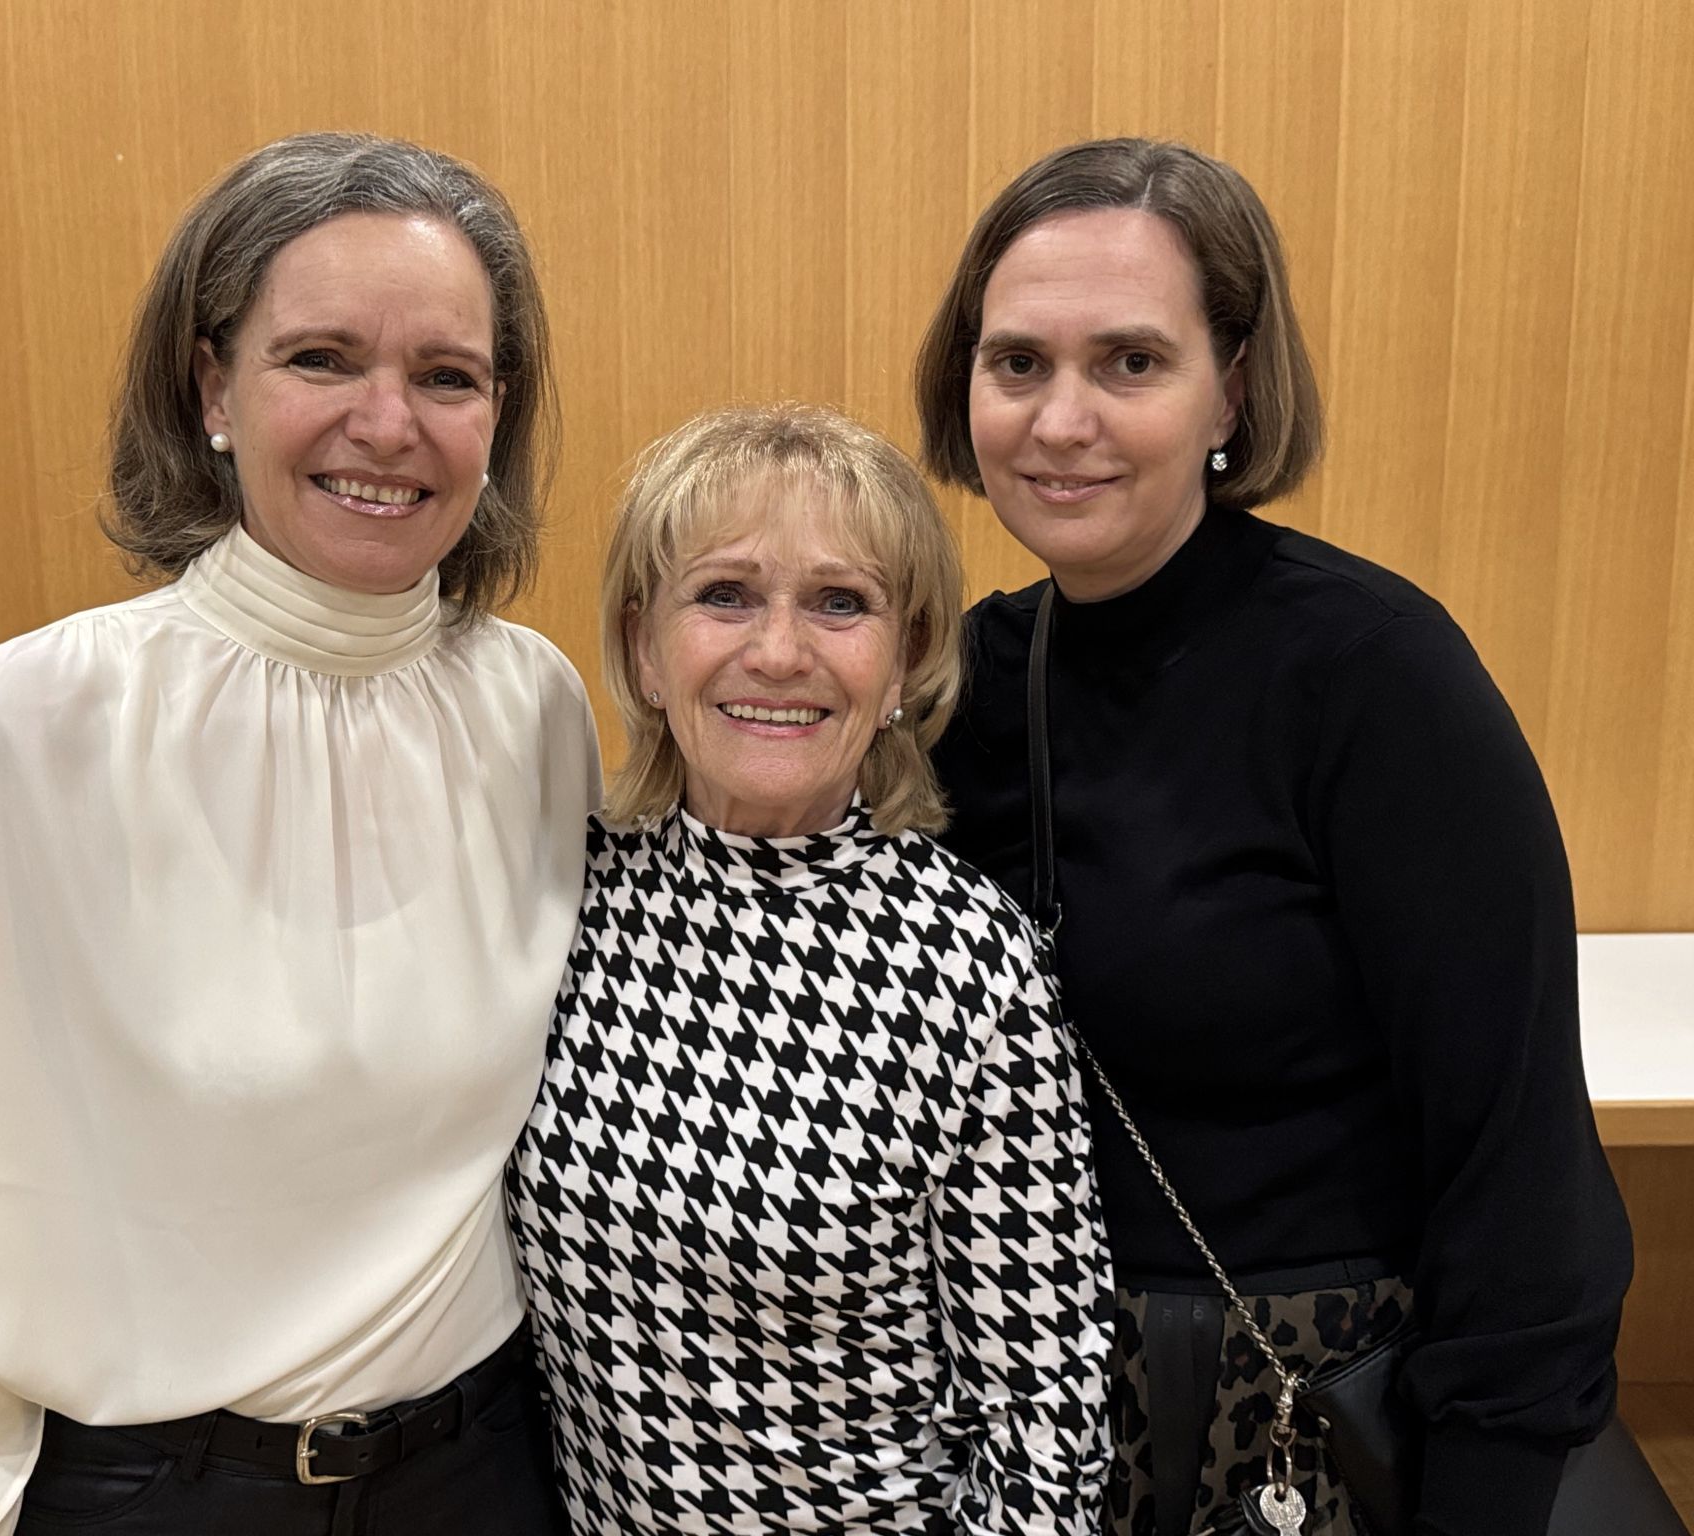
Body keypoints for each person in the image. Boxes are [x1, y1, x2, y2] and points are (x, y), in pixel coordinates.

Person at [0, 133, 597, 1536]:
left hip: (485, 1469)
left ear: (496, 416)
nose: (388, 424)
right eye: (321, 358)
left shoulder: (538, 709)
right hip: (151, 1493)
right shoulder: (29, 722)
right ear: (213, 386)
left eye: (446, 376)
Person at [916, 138, 1632, 1536]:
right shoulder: (961, 687)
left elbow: (1520, 1163)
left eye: (1131, 362)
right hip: (1032, 1425)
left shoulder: (1373, 676)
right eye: (1018, 364)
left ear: (1230, 387)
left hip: (1309, 1429)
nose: (1063, 420)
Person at [507, 403, 1114, 1535]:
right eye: (723, 595)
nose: (777, 651)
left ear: (906, 660)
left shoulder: (964, 962)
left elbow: (1044, 1429)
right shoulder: (561, 896)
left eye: (839, 603)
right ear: (644, 649)